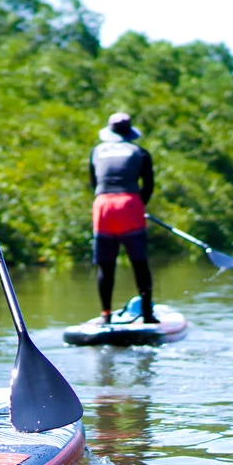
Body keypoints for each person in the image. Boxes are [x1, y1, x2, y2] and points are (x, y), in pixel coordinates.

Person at [89, 112, 159, 325]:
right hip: (129, 203)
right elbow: (148, 185)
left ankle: (105, 314)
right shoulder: (140, 152)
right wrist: (138, 206)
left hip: (102, 205)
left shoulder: (96, 152)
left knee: (105, 265)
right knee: (139, 263)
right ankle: (147, 314)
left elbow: (95, 184)